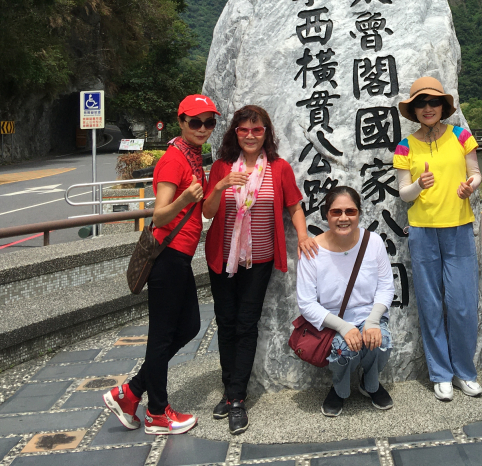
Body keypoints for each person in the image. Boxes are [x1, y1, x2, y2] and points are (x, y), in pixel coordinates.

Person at [104, 94, 217, 435]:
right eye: (195, 122)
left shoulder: (194, 157)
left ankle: (131, 391)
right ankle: (156, 413)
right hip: (167, 257)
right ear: (181, 121)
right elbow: (160, 214)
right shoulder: (173, 160)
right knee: (163, 335)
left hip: (181, 256)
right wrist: (185, 197)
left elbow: (206, 211)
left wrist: (220, 185)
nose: (202, 129)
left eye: (208, 122)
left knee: (188, 327)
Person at [201, 105, 318, 434]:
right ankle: (229, 391)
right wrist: (222, 184)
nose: (250, 135)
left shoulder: (278, 168)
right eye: (244, 130)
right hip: (221, 258)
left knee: (246, 323)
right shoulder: (223, 166)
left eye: (257, 130)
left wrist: (304, 236)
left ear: (266, 134)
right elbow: (207, 212)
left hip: (260, 259)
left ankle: (237, 398)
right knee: (225, 323)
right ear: (234, 133)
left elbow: (294, 204)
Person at [392, 77, 482, 402]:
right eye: (421, 103)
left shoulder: (461, 136)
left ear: (443, 106)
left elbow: (475, 172)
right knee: (431, 304)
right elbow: (404, 194)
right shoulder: (405, 145)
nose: (427, 108)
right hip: (422, 230)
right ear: (414, 110)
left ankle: (464, 372)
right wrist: (420, 185)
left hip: (458, 226)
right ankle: (441, 374)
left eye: (433, 102)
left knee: (461, 304)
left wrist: (470, 186)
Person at [295, 186, 395, 417]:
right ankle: (339, 390)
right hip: (334, 321)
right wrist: (343, 327)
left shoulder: (374, 242)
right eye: (336, 212)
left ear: (359, 214)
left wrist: (372, 321)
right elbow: (306, 303)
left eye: (350, 211)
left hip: (369, 315)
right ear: (326, 215)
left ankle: (369, 384)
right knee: (344, 348)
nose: (343, 218)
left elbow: (386, 286)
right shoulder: (313, 250)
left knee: (382, 341)